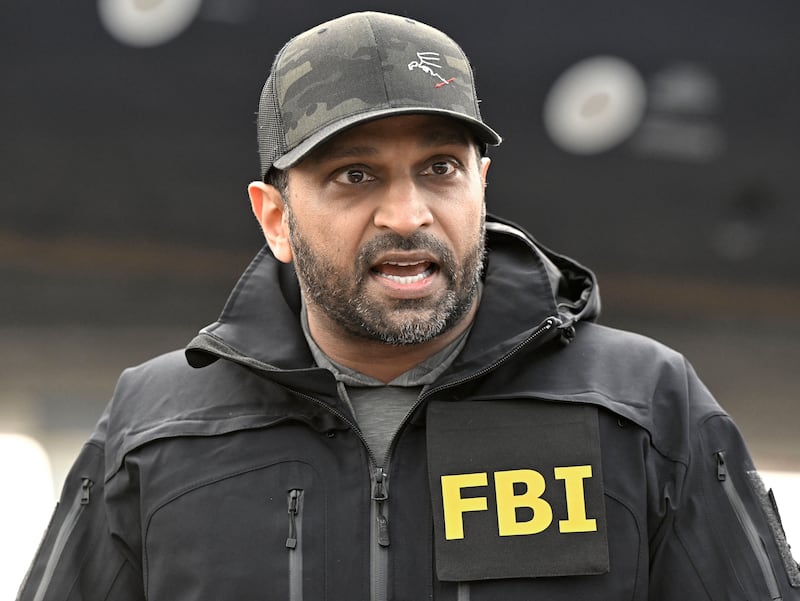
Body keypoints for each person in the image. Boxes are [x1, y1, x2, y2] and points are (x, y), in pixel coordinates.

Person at [18, 11, 799, 601]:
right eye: (355, 176)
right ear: (274, 218)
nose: (407, 213)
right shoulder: (154, 433)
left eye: (439, 167)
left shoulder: (643, 412)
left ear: (482, 186)